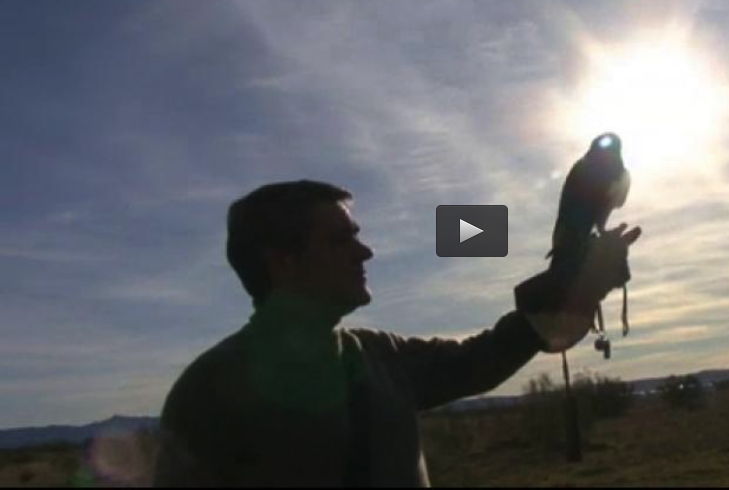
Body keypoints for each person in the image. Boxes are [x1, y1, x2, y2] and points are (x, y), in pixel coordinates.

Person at [154, 179, 641, 487]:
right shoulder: (209, 392)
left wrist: (579, 286)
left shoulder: (380, 355)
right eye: (342, 239)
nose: (364, 253)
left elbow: (483, 360)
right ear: (283, 260)